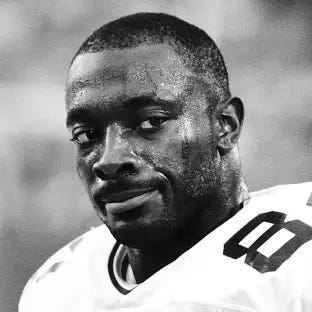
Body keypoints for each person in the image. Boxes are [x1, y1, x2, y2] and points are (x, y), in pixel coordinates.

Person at [19, 12, 312, 312]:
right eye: (86, 135)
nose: (109, 160)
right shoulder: (58, 289)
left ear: (225, 126)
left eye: (152, 121)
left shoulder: (297, 277)